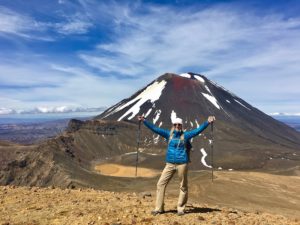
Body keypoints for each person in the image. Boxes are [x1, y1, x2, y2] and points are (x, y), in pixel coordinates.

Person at [138, 115, 216, 216]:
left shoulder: (186, 135)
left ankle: (180, 208)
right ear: (173, 125)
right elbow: (155, 129)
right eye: (175, 124)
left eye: (179, 125)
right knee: (160, 184)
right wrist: (144, 121)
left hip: (182, 164)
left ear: (181, 126)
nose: (177, 126)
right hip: (169, 164)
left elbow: (197, 130)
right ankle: (159, 208)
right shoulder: (168, 134)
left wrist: (207, 122)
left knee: (183, 186)